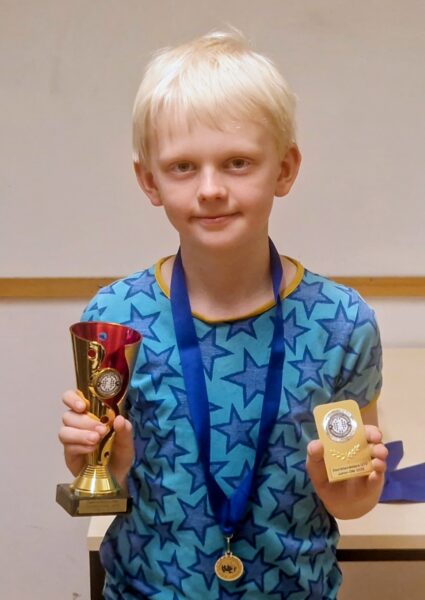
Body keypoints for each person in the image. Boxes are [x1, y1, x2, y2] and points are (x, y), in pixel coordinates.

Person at [59, 29, 388, 599]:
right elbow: (103, 485)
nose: (210, 189)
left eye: (238, 162)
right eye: (183, 167)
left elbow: (353, 499)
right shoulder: (116, 317)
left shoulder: (340, 323)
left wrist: (350, 488)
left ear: (284, 170)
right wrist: (102, 464)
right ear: (149, 181)